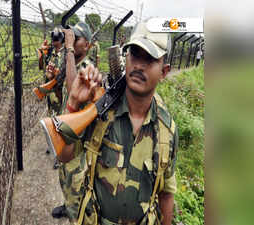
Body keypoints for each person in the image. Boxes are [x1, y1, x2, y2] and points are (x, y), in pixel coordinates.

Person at [56, 22, 178, 225]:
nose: (139, 65)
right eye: (135, 54)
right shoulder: (100, 108)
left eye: (149, 59)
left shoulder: (167, 131)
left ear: (164, 71)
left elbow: (166, 194)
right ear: (126, 58)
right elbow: (65, 155)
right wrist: (73, 103)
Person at [51, 21, 94, 219]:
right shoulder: (72, 64)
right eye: (71, 37)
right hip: (66, 133)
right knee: (63, 175)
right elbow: (61, 92)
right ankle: (67, 205)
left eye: (77, 39)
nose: (72, 41)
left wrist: (68, 49)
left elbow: (73, 90)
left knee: (75, 180)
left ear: (87, 46)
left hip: (78, 142)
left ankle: (75, 213)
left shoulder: (87, 68)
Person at [37, 27, 65, 166]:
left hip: (60, 94)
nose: (54, 43)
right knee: (51, 121)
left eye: (56, 41)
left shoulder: (66, 56)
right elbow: (41, 67)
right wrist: (41, 54)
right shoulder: (50, 53)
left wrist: (57, 74)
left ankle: (59, 157)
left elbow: (66, 76)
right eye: (53, 41)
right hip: (50, 94)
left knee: (59, 124)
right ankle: (52, 146)